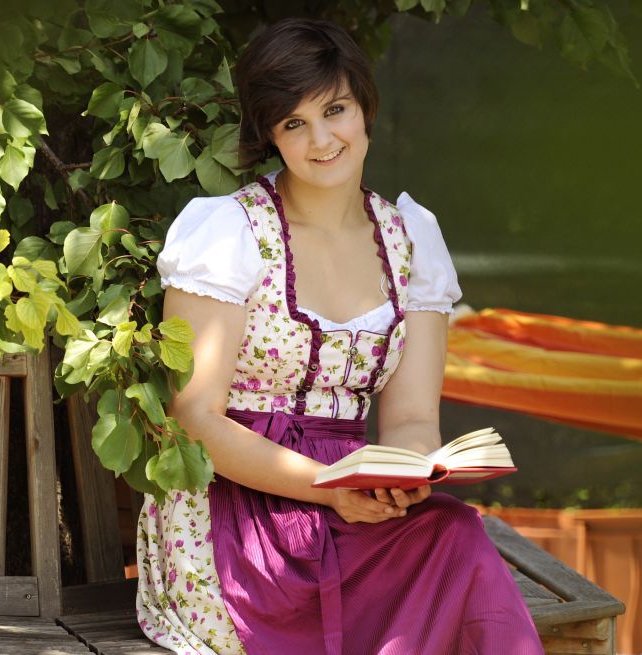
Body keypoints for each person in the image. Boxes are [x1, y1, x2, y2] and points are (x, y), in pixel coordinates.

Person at [135, 17, 545, 655]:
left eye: (335, 110)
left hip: (356, 503)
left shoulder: (410, 242)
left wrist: (401, 478)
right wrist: (329, 489)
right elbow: (193, 420)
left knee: (455, 535)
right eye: (294, 123)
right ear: (270, 135)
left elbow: (411, 418)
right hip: (239, 510)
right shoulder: (228, 234)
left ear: (365, 108)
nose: (322, 140)